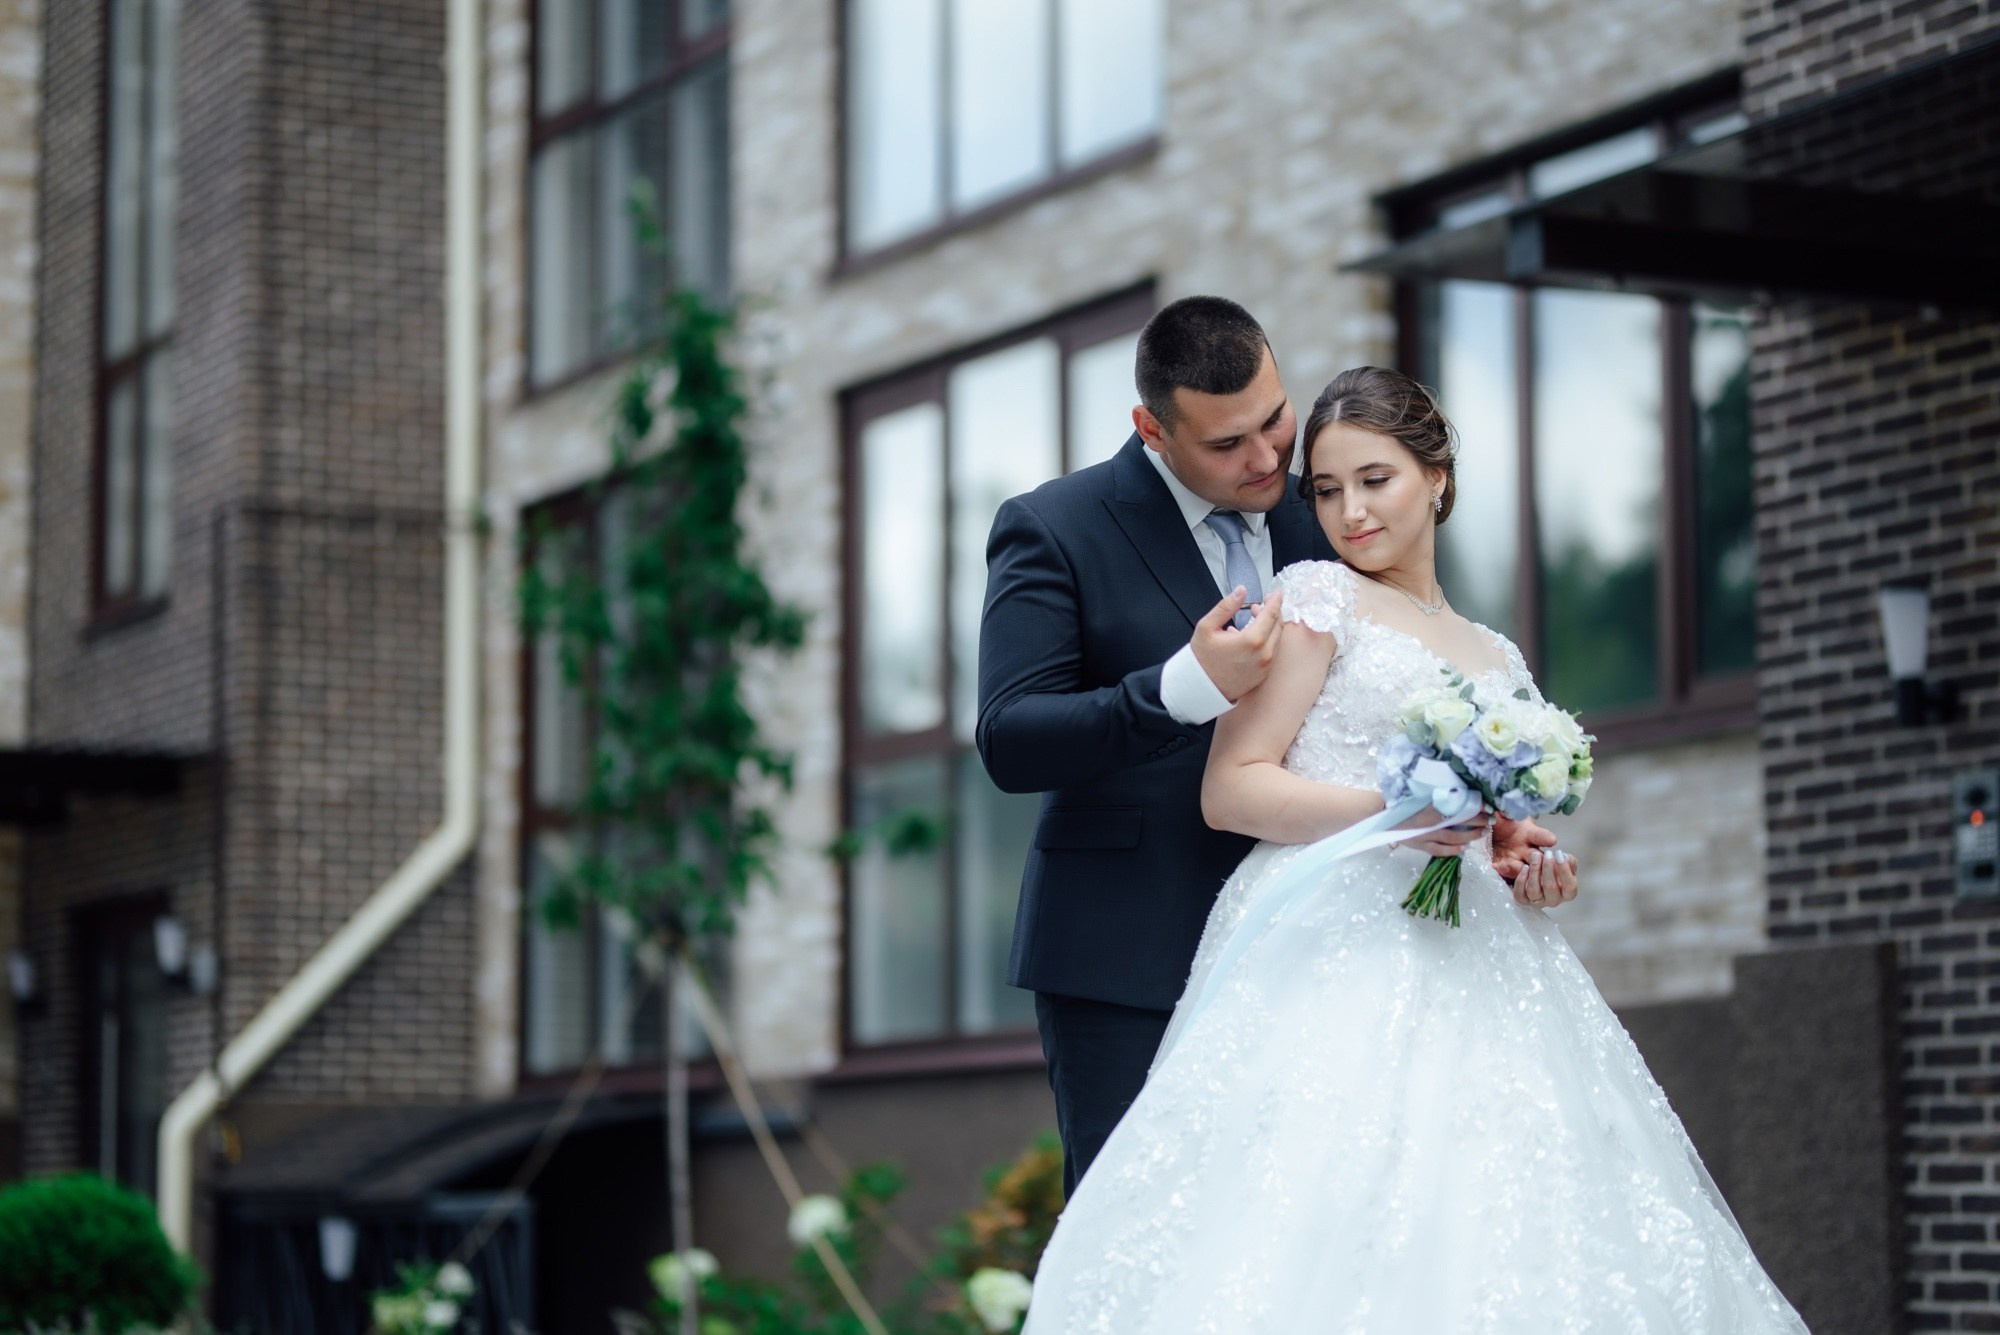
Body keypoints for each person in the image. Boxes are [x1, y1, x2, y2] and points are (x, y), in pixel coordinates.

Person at [1019, 367, 1806, 1332]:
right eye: (1327, 488)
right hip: (1329, 946)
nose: (1348, 511)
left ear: (1436, 476)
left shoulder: (1499, 655)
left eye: (1375, 480)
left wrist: (1523, 860)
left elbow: (1490, 834)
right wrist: (1396, 816)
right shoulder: (1313, 598)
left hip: (1483, 956)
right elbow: (1231, 789)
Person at [976, 298, 1564, 1199]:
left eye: (1275, 421)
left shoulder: (1321, 516)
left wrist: (1485, 823)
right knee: (1142, 1227)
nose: (1266, 460)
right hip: (1129, 952)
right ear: (1152, 430)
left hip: (1323, 949)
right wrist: (1182, 687)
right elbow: (1011, 739)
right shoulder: (1055, 526)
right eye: (1226, 444)